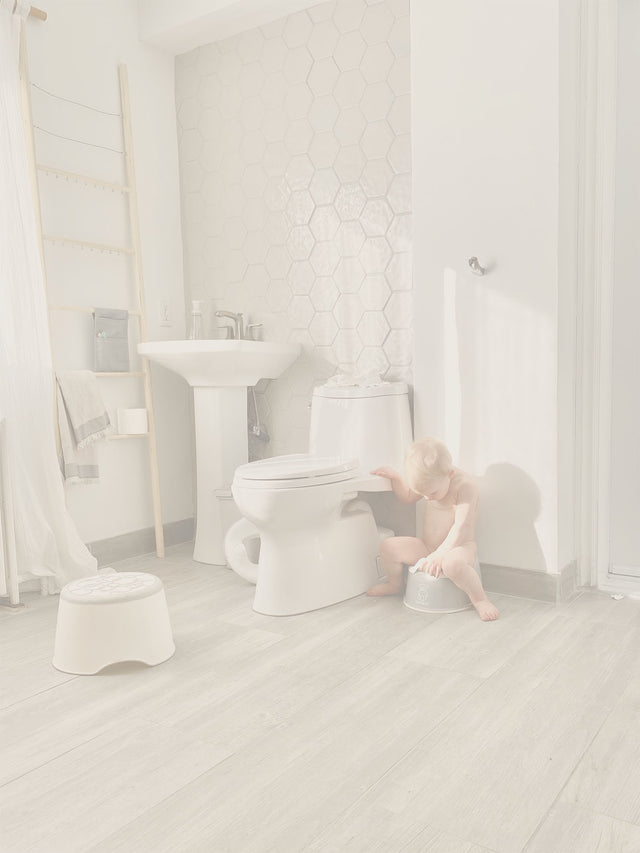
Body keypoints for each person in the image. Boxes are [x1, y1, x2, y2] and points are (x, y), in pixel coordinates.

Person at [367, 437, 499, 622]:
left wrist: (441, 554)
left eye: (433, 493)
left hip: (460, 547)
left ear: (450, 474)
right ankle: (395, 585)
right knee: (388, 547)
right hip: (427, 546)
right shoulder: (429, 481)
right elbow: (406, 497)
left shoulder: (465, 487)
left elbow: (462, 527)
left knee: (451, 564)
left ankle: (479, 600)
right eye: (422, 493)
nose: (427, 499)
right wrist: (396, 478)